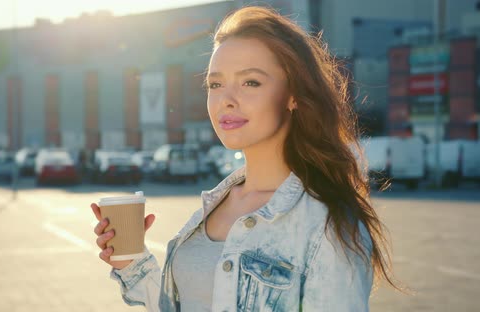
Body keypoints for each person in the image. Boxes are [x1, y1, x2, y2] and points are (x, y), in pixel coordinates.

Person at [91, 6, 400, 311]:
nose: (226, 99)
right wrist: (133, 264)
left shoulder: (326, 223)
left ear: (293, 95)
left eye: (250, 82)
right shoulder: (217, 203)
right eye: (215, 84)